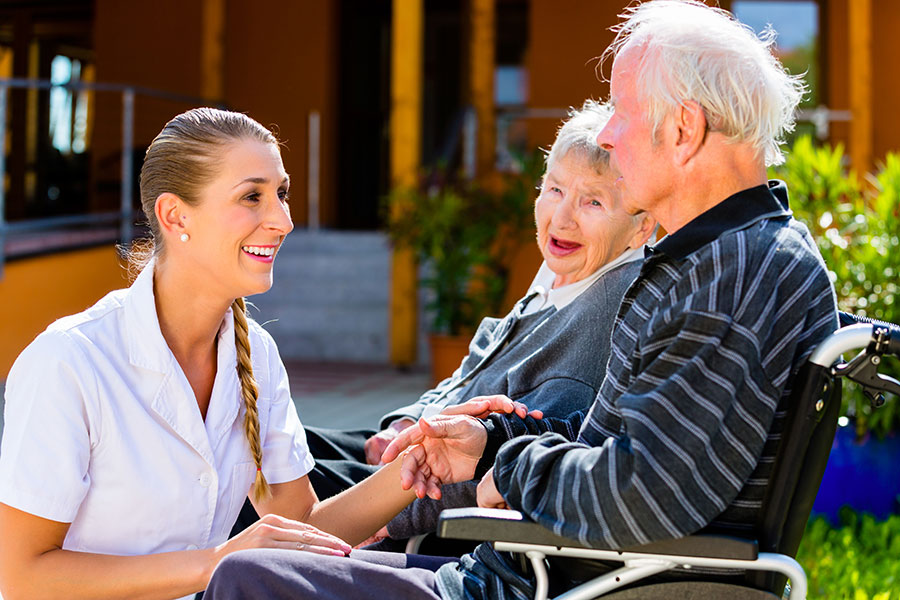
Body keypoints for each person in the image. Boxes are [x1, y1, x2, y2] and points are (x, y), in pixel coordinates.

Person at [204, 1, 839, 598]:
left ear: (683, 128)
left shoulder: (732, 274)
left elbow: (640, 493)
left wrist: (508, 464)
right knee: (251, 557)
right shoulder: (723, 258)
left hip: (528, 584)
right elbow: (628, 457)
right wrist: (491, 439)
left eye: (622, 111)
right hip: (526, 570)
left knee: (247, 579)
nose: (609, 136)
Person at [0, 108, 504, 600]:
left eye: (281, 194)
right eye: (252, 197)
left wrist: (419, 457)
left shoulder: (255, 354)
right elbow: (23, 578)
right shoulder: (69, 363)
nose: (283, 220)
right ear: (175, 215)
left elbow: (303, 528)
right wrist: (217, 564)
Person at [297, 99, 656, 546]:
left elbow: (520, 458)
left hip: (425, 496)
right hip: (410, 455)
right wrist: (404, 422)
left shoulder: (604, 312)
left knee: (258, 487)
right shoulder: (562, 274)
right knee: (272, 450)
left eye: (593, 202)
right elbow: (468, 377)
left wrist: (393, 521)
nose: (562, 217)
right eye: (555, 190)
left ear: (642, 227)